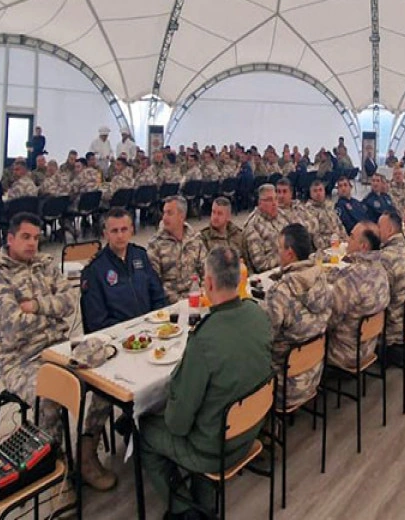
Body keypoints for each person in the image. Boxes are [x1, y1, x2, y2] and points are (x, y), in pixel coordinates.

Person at [0, 213, 118, 490]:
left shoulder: (44, 264)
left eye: (36, 238)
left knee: (109, 374)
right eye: (25, 237)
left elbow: (69, 301)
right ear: (10, 239)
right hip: (22, 361)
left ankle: (87, 452)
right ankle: (58, 474)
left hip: (59, 348)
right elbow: (15, 327)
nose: (32, 243)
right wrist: (51, 313)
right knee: (52, 396)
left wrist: (35, 306)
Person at [139, 247, 273, 517]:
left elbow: (177, 423)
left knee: (144, 431)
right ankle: (204, 497)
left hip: (216, 449)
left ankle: (185, 510)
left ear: (209, 283)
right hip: (251, 431)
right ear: (240, 279)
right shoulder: (258, 314)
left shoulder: (204, 339)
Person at [265, 224, 332, 410]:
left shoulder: (280, 293)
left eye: (279, 248)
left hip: (285, 386)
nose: (277, 253)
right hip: (314, 374)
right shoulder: (321, 278)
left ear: (290, 253)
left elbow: (264, 339)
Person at [80, 208, 167, 334]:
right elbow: (97, 321)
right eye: (114, 231)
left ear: (131, 230)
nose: (120, 235)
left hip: (151, 329)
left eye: (124, 229)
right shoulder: (94, 269)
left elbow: (158, 296)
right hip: (117, 336)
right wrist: (131, 330)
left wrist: (154, 322)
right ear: (106, 234)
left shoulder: (140, 255)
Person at [325, 224, 390, 369]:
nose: (347, 240)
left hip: (346, 352)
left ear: (363, 246)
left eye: (352, 237)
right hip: (369, 345)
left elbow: (329, 319)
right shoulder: (381, 268)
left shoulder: (352, 277)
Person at [376, 210, 405, 351]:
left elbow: (377, 299)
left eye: (379, 227)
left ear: (390, 230)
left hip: (393, 326)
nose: (377, 230)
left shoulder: (385, 257)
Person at [147, 197, 208, 304]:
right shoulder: (155, 244)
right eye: (164, 213)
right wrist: (181, 302)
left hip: (198, 297)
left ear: (182, 216)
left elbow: (206, 270)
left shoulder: (195, 238)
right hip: (171, 303)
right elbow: (155, 283)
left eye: (169, 213)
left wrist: (204, 292)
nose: (164, 217)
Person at [242, 184, 288, 273]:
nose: (274, 203)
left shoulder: (281, 214)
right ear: (260, 203)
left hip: (291, 264)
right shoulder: (253, 226)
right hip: (273, 273)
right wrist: (286, 256)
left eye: (276, 198)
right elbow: (261, 265)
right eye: (269, 200)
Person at [198, 197, 248, 262]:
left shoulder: (238, 234)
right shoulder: (203, 238)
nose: (215, 217)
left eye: (220, 214)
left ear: (228, 217)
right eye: (213, 212)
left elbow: (247, 261)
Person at [301, 179, 347, 250]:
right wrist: (335, 244)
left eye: (320, 190)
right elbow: (315, 235)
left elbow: (339, 224)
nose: (318, 193)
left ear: (324, 191)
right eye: (315, 191)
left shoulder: (329, 206)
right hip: (325, 247)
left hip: (340, 243)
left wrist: (346, 239)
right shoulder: (308, 210)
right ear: (310, 194)